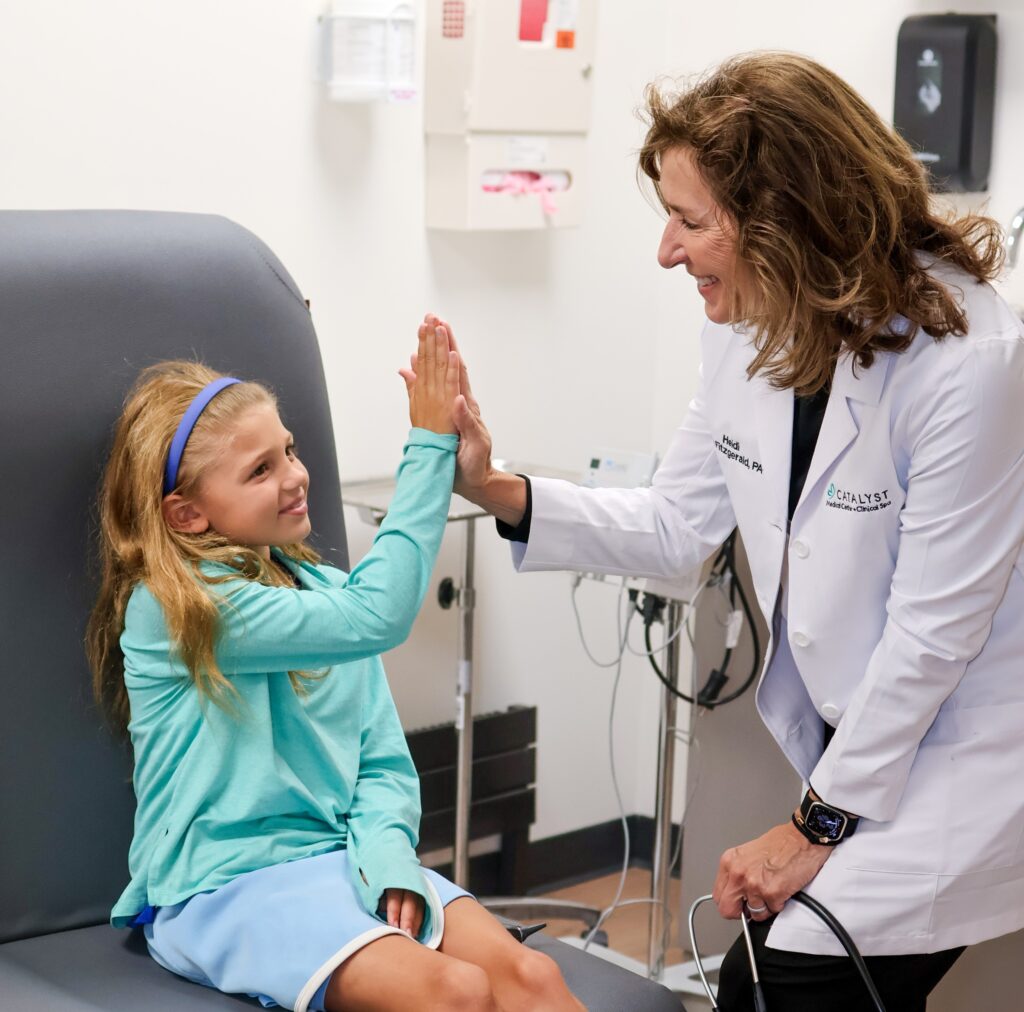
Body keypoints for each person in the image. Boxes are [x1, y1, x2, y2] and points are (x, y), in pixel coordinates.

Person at [431, 53, 1024, 1011]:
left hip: (966, 752)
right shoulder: (751, 327)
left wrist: (809, 827)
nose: (667, 251)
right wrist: (494, 486)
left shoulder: (969, 363)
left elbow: (933, 637)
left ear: (786, 222)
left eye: (691, 221)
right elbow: (677, 526)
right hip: (865, 743)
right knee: (783, 978)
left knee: (786, 980)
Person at [86, 322, 584, 1012]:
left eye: (287, 450)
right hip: (224, 887)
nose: (295, 477)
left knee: (534, 980)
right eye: (260, 470)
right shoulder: (175, 611)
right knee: (454, 993)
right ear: (188, 513)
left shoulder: (321, 595)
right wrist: (432, 444)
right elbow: (380, 613)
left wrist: (389, 863)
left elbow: (380, 765)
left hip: (344, 859)